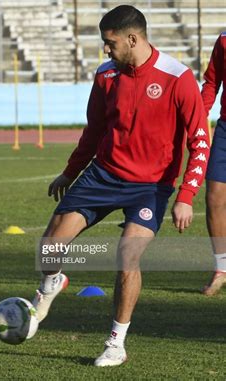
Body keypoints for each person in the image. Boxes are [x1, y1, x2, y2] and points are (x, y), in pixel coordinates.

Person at [31, 5, 209, 367]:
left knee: (127, 255)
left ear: (132, 38)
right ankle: (51, 284)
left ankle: (116, 343)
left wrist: (186, 196)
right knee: (49, 249)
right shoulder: (106, 74)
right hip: (102, 175)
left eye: (110, 43)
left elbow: (200, 140)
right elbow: (93, 131)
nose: (105, 50)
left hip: (150, 186)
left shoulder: (178, 77)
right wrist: (70, 172)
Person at [201, 32, 226, 296]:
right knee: (214, 198)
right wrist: (199, 115)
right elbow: (212, 82)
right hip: (225, 129)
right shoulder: (224, 40)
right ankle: (221, 268)